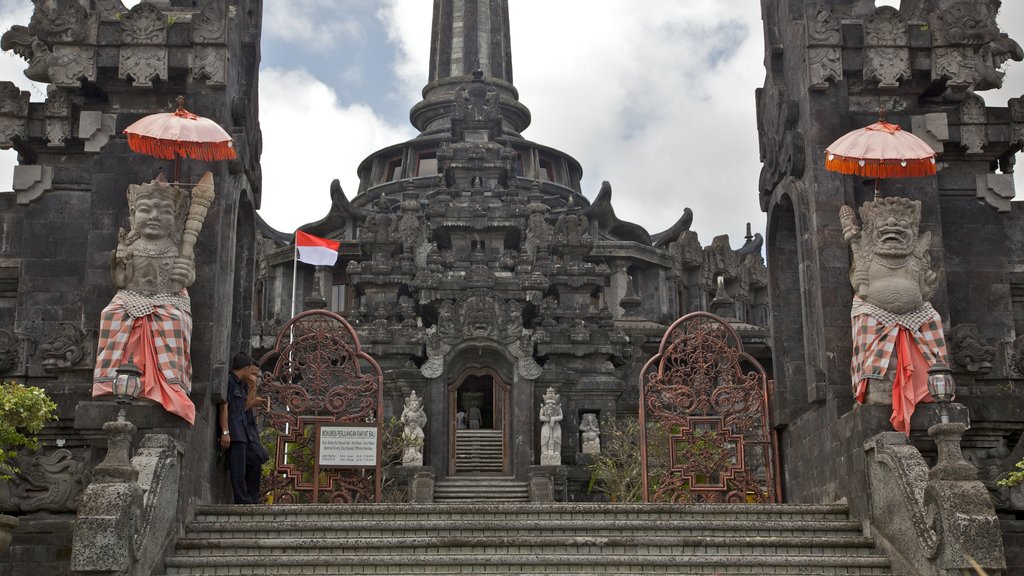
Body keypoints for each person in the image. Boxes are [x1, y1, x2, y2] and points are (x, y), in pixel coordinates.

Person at [93, 175, 198, 424]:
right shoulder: (130, 245)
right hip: (131, 296)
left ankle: (166, 381)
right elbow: (121, 281)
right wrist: (119, 269)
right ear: (132, 213)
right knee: (111, 314)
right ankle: (114, 379)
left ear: (175, 219)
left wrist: (185, 274)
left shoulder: (179, 249)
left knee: (172, 321)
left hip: (168, 300)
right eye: (145, 210)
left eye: (164, 211)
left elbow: (186, 279)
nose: (154, 216)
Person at [219, 353, 268, 504]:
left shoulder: (241, 384)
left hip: (243, 432)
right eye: (252, 371)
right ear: (247, 368)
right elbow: (224, 407)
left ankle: (251, 499)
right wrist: (225, 432)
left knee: (257, 458)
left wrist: (253, 387)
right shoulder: (230, 381)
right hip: (234, 433)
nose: (253, 376)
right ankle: (242, 500)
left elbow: (244, 407)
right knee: (237, 469)